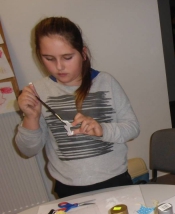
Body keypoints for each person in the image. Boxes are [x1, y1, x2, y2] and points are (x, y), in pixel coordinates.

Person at [15, 17, 140, 198]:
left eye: (67, 57)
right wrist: (31, 118)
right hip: (69, 187)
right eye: (49, 58)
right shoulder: (37, 92)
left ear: (83, 53)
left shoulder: (105, 82)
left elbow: (132, 128)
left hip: (115, 180)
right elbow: (28, 150)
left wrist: (102, 129)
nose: (59, 66)